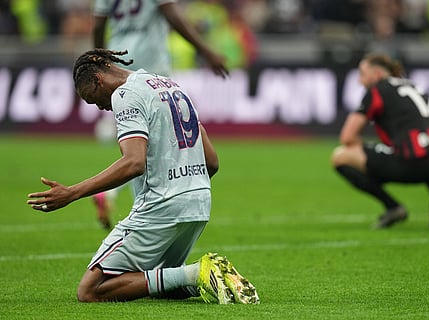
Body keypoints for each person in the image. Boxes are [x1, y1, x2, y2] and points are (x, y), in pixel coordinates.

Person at [27, 49, 259, 304]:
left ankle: (196, 273)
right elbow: (212, 162)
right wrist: (185, 186)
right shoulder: (170, 85)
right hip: (199, 203)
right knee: (160, 282)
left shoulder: (125, 95)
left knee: (91, 290)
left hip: (161, 206)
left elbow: (134, 162)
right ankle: (217, 278)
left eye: (92, 98)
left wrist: (72, 193)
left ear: (97, 81)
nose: (101, 107)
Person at [91, 0, 229, 229]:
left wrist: (99, 63)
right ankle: (152, 204)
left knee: (134, 137)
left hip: (118, 63)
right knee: (162, 134)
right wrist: (205, 51)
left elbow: (97, 26)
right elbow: (172, 15)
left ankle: (116, 194)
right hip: (151, 60)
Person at [331, 53, 429, 228]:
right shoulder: (415, 87)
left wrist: (371, 149)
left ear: (377, 74)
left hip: (413, 165)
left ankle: (393, 207)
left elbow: (347, 137)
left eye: (362, 74)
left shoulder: (377, 90)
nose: (360, 81)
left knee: (341, 156)